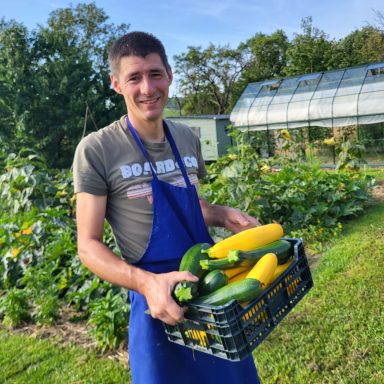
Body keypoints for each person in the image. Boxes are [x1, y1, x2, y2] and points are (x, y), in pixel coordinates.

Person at [73, 31, 262, 384]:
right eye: (134, 77)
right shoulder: (97, 149)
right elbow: (88, 245)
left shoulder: (187, 137)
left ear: (170, 75)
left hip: (211, 291)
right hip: (155, 301)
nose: (148, 88)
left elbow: (190, 205)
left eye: (155, 74)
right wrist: (146, 284)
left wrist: (222, 214)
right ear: (116, 84)